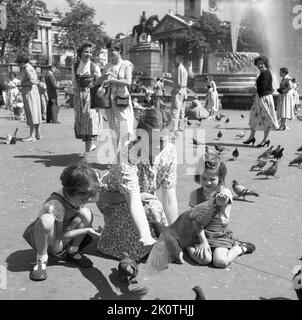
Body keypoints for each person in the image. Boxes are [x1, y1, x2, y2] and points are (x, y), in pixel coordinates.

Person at [96, 108, 179, 261]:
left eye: (161, 140)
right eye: (150, 140)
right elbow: (134, 200)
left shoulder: (170, 151)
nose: (156, 147)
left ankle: (151, 242)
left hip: (142, 196)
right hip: (113, 199)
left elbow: (169, 198)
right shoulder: (128, 155)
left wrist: (176, 234)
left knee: (155, 209)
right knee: (153, 208)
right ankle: (114, 241)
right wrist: (146, 237)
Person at [23, 163, 101, 281]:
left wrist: (99, 183)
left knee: (86, 213)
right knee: (46, 220)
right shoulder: (56, 204)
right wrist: (87, 230)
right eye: (83, 199)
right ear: (70, 194)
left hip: (65, 233)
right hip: (53, 241)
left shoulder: (76, 195)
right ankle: (41, 260)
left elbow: (96, 196)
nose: (87, 200)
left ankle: (73, 251)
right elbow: (60, 235)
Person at [186, 153, 256, 268]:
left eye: (212, 179)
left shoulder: (224, 192)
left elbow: (224, 201)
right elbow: (195, 221)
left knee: (220, 262)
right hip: (199, 235)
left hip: (218, 235)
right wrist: (203, 241)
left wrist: (220, 202)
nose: (208, 182)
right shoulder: (195, 194)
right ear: (198, 176)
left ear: (220, 177)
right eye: (204, 178)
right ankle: (187, 245)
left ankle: (239, 248)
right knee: (205, 260)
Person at [101, 40, 134, 149]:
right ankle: (116, 157)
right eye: (109, 50)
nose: (110, 53)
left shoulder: (126, 64)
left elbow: (128, 82)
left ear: (119, 50)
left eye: (113, 50)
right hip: (109, 100)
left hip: (121, 99)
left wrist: (111, 80)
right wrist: (102, 79)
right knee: (113, 129)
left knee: (124, 128)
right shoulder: (107, 66)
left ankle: (123, 158)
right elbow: (102, 83)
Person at [72, 42, 103, 153]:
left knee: (89, 123)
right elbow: (74, 82)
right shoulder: (75, 66)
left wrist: (94, 84)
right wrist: (76, 95)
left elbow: (100, 81)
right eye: (86, 51)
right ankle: (89, 146)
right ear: (80, 53)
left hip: (90, 96)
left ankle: (87, 151)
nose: (89, 54)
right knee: (81, 123)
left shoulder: (94, 66)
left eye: (90, 52)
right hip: (79, 97)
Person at [243, 56, 278, 147]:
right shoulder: (263, 73)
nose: (260, 65)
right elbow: (261, 87)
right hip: (260, 97)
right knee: (254, 117)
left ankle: (265, 140)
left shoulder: (266, 73)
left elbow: (262, 87)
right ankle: (252, 137)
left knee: (266, 119)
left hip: (264, 98)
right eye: (258, 64)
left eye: (261, 64)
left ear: (265, 63)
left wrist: (251, 89)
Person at [16, 52, 42, 142]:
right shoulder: (28, 67)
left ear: (22, 61)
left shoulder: (27, 68)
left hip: (30, 93)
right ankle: (37, 133)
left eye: (18, 62)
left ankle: (32, 135)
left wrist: (21, 84)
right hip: (32, 92)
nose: (18, 64)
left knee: (31, 113)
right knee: (35, 113)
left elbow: (32, 81)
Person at [171, 55, 188, 134]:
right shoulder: (184, 69)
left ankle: (174, 128)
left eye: (175, 60)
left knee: (175, 110)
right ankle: (181, 127)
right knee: (181, 111)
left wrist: (174, 91)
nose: (174, 62)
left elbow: (179, 83)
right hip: (183, 91)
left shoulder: (179, 69)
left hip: (178, 91)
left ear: (179, 61)